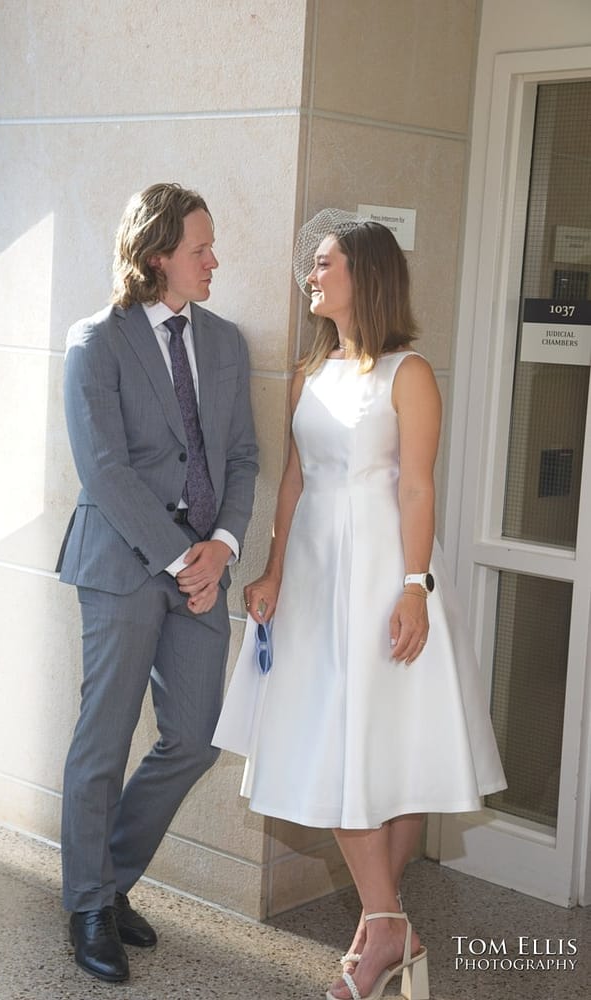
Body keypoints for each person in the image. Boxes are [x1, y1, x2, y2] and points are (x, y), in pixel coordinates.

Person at [227, 209, 506, 1000]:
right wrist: (274, 569)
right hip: (314, 586)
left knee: (392, 753)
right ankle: (387, 925)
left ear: (364, 276)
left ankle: (380, 929)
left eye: (323, 264)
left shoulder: (407, 374)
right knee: (331, 743)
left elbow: (416, 486)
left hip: (386, 578)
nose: (310, 277)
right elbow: (293, 480)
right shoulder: (307, 375)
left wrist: (413, 589)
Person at [56, 182, 258, 983]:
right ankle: (88, 907)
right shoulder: (94, 342)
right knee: (102, 743)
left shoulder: (227, 341)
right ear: (155, 258)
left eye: (211, 246)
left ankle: (104, 881)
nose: (214, 260)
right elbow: (103, 470)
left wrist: (221, 548)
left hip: (203, 567)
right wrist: (181, 559)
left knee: (195, 738)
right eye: (199, 248)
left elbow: (240, 457)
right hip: (122, 562)